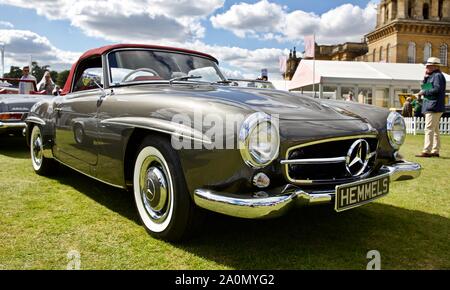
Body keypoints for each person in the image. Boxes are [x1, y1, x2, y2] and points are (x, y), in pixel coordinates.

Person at [415, 57, 446, 158]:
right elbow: (425, 88)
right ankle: (435, 151)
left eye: (429, 66)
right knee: (435, 130)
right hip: (432, 105)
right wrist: (425, 79)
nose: (427, 67)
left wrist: (423, 92)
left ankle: (427, 151)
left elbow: (436, 89)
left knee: (429, 129)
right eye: (427, 65)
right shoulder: (433, 76)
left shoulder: (437, 76)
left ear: (435, 66)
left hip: (433, 105)